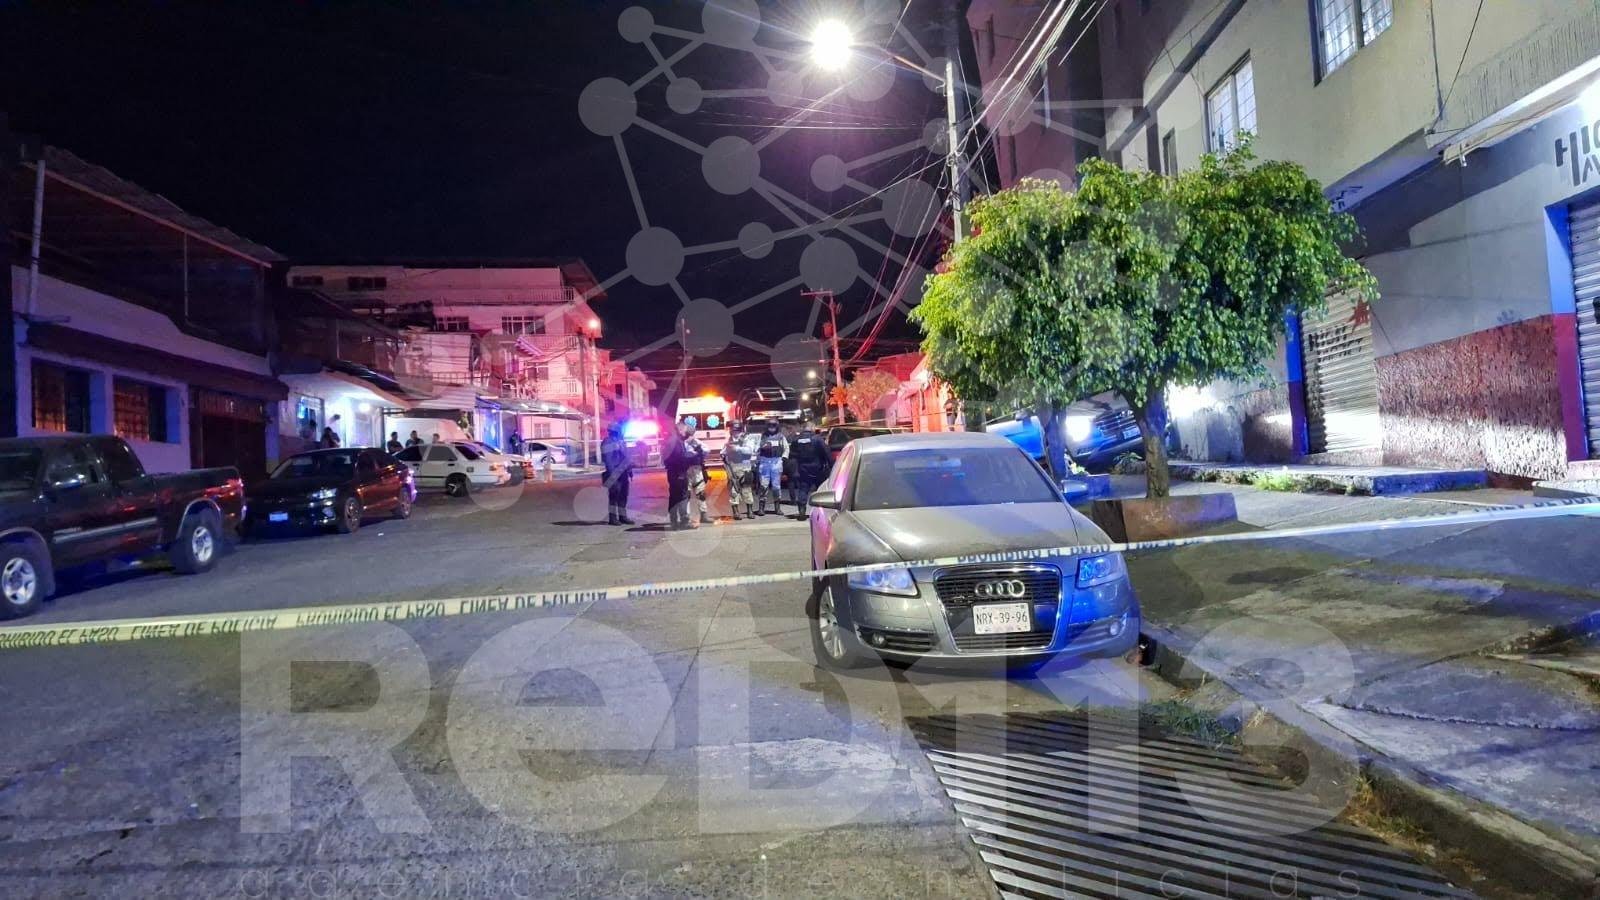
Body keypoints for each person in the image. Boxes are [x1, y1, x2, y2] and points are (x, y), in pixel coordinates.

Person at [788, 423, 832, 518]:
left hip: (803, 468)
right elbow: (826, 452)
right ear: (812, 428)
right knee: (820, 490)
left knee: (803, 488)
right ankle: (821, 510)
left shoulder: (796, 440)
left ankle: (802, 509)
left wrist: (793, 470)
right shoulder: (817, 439)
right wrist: (831, 465)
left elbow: (792, 456)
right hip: (817, 468)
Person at [662, 422, 698, 530]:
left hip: (673, 472)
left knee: (674, 497)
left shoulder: (672, 440)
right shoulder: (676, 442)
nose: (686, 433)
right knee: (682, 496)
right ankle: (684, 521)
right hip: (678, 473)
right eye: (685, 431)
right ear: (680, 430)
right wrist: (691, 459)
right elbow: (679, 459)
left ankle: (674, 521)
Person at [722, 421, 760, 520]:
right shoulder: (729, 440)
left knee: (746, 490)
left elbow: (749, 451)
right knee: (733, 490)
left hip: (745, 467)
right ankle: (736, 512)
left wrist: (737, 449)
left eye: (733, 429)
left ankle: (750, 511)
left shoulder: (747, 439)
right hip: (733, 467)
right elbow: (723, 452)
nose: (732, 431)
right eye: (731, 430)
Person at [600, 423, 634, 526]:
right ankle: (613, 518)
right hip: (614, 472)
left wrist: (629, 470)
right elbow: (608, 460)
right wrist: (612, 475)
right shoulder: (608, 442)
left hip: (623, 472)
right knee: (614, 496)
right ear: (615, 431)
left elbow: (626, 457)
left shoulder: (620, 441)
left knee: (623, 495)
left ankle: (623, 517)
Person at [754, 419, 788, 516]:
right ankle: (761, 508)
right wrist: (761, 449)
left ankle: (777, 508)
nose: (771, 428)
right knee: (763, 485)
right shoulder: (762, 436)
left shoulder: (781, 437)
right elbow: (756, 449)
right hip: (765, 462)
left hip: (776, 461)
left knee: (776, 486)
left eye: (773, 426)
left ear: (777, 426)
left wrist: (784, 457)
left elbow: (786, 448)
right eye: (770, 426)